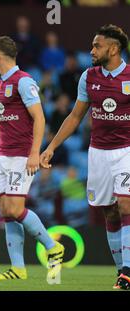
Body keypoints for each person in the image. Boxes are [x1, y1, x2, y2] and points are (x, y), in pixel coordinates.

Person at [40, 24, 130, 290]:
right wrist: (52, 146)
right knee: (110, 212)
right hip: (98, 152)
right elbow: (75, 116)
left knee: (126, 205)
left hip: (126, 150)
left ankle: (127, 272)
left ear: (113, 49)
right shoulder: (88, 77)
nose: (91, 51)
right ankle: (120, 272)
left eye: (97, 45)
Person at [0, 36, 64, 282]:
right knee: (7, 211)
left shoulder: (24, 82)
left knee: (16, 208)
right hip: (3, 157)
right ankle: (18, 268)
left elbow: (39, 118)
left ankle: (52, 247)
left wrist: (35, 153)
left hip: (21, 155)